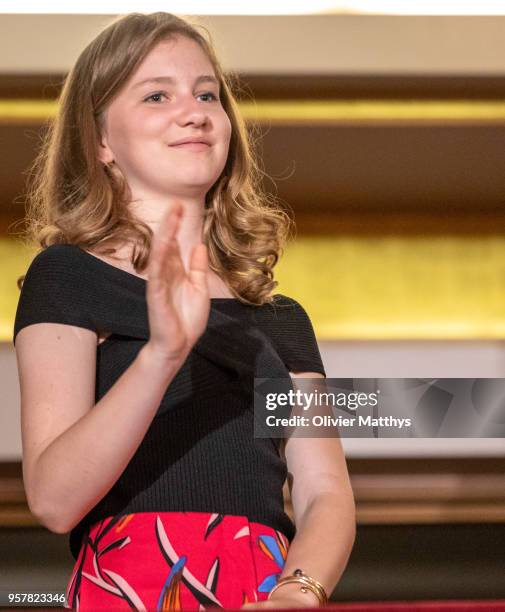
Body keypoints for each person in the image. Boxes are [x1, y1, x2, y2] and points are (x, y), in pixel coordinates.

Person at [12, 12, 356, 611]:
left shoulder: (281, 317)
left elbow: (326, 491)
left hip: (264, 587)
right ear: (100, 141)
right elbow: (53, 498)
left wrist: (298, 593)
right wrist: (163, 354)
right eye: (156, 95)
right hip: (132, 584)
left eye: (206, 94)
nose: (194, 111)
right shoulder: (66, 277)